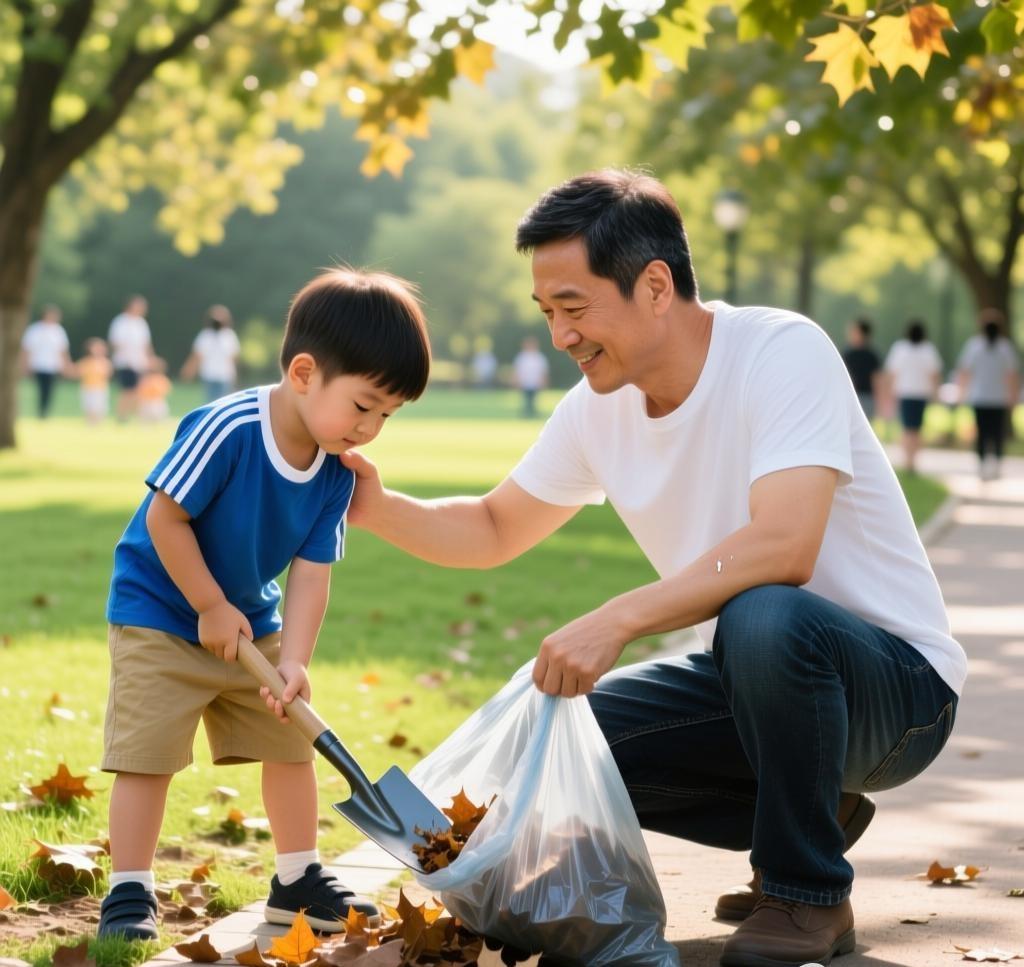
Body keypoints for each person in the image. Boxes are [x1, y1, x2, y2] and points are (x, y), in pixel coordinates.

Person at [339, 171, 966, 967]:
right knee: (563, 738)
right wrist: (376, 505)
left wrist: (619, 617)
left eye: (574, 307)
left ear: (656, 285)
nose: (560, 334)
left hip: (899, 695)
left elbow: (784, 545)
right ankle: (813, 810)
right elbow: (496, 525)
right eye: (548, 313)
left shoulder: (780, 351)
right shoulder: (597, 409)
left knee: (764, 610)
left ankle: (806, 892)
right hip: (758, 687)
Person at [98, 268, 431, 941]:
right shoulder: (231, 428)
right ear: (305, 373)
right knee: (147, 754)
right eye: (363, 405)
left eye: (386, 416)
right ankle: (129, 889)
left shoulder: (338, 470)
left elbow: (312, 571)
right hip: (161, 610)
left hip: (252, 618)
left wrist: (297, 657)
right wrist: (208, 604)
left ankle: (296, 878)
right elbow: (166, 519)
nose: (369, 428)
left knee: (291, 740)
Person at [956, 308, 1021, 481]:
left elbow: (964, 372)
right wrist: (1013, 396)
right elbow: (1012, 375)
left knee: (983, 431)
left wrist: (961, 392)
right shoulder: (1005, 348)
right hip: (999, 398)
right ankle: (996, 464)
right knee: (997, 432)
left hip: (980, 397)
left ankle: (983, 463)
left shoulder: (974, 346)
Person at [883, 320, 943, 474]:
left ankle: (908, 459)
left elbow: (892, 373)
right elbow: (934, 374)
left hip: (904, 393)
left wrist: (889, 392)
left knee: (906, 428)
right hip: (921, 393)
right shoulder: (928, 350)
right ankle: (912, 460)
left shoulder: (900, 349)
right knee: (916, 429)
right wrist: (936, 394)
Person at [181, 305, 242, 402]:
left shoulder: (229, 336)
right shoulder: (205, 335)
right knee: (211, 403)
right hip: (209, 375)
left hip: (225, 376)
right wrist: (189, 371)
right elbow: (197, 356)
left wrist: (235, 376)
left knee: (223, 403)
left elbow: (233, 358)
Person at [108, 295, 153, 421]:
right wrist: (125, 358)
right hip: (125, 362)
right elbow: (116, 342)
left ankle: (135, 415)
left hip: (139, 362)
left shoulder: (141, 323)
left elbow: (146, 344)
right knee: (127, 390)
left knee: (138, 391)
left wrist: (149, 359)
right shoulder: (120, 321)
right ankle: (121, 416)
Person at [20, 305, 70, 418]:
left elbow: (63, 350)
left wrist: (65, 365)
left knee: (49, 390)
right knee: (41, 389)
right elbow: (27, 349)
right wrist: (25, 365)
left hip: (52, 366)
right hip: (38, 365)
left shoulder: (58, 330)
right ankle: (40, 411)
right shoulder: (34, 330)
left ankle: (45, 412)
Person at [841, 317, 881, 422]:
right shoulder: (847, 354)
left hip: (867, 396)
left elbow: (876, 379)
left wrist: (878, 399)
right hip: (851, 396)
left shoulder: (871, 355)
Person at [76, 338, 114, 425]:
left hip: (100, 389)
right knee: (89, 407)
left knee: (100, 407)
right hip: (87, 388)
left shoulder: (105, 362)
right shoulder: (85, 361)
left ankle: (98, 423)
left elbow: (109, 374)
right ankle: (90, 423)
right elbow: (77, 372)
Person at [513, 335, 549, 417]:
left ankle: (532, 413)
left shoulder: (539, 357)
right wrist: (516, 381)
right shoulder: (521, 357)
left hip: (535, 382)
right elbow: (517, 370)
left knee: (533, 399)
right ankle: (526, 413)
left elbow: (543, 371)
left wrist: (543, 381)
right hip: (524, 383)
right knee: (526, 399)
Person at [137, 357, 173, 422]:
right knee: (147, 418)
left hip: (156, 401)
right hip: (148, 402)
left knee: (156, 417)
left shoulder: (161, 379)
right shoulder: (147, 379)